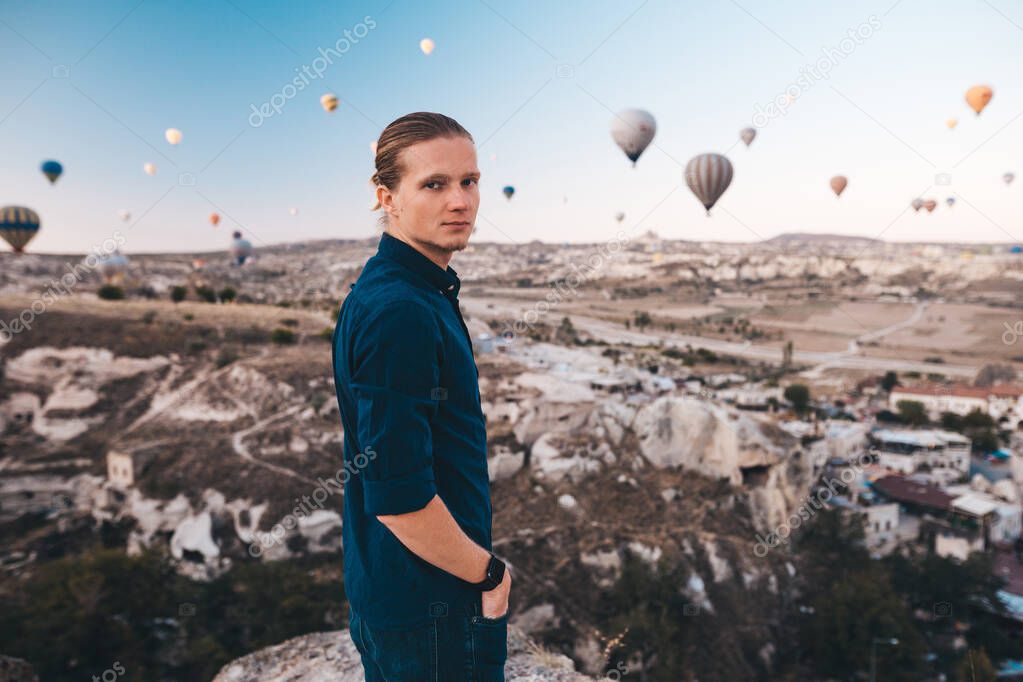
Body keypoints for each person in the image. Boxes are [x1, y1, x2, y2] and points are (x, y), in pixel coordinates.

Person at [331, 112, 511, 680]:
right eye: (434, 184)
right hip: (433, 608)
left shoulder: (404, 289)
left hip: (404, 596)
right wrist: (488, 575)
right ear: (387, 196)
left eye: (470, 181)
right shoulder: (402, 311)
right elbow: (398, 494)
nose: (460, 200)